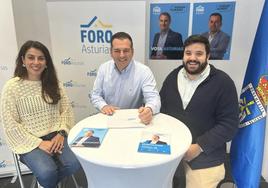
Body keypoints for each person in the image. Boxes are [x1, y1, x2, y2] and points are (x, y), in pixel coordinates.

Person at [160, 35, 239, 188]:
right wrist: (149, 109)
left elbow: (229, 125)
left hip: (205, 157)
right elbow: (162, 108)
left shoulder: (223, 83)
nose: (192, 58)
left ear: (208, 56)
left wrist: (198, 147)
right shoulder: (173, 76)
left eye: (199, 54)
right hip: (172, 153)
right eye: (188, 53)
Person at [1, 41, 81, 188]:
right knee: (47, 172)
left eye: (41, 58)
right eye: (31, 57)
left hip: (56, 136)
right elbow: (10, 123)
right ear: (23, 60)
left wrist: (61, 133)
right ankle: (45, 181)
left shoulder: (54, 83)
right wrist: (39, 143)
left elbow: (66, 111)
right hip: (29, 141)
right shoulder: (12, 88)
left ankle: (45, 184)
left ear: (46, 62)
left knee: (76, 163)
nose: (36, 62)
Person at [90, 32, 161, 124]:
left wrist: (149, 109)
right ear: (111, 52)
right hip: (108, 119)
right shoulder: (103, 69)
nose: (122, 55)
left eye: (126, 50)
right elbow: (95, 95)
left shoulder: (144, 71)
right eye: (117, 51)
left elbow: (153, 98)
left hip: (134, 121)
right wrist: (103, 106)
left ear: (132, 52)